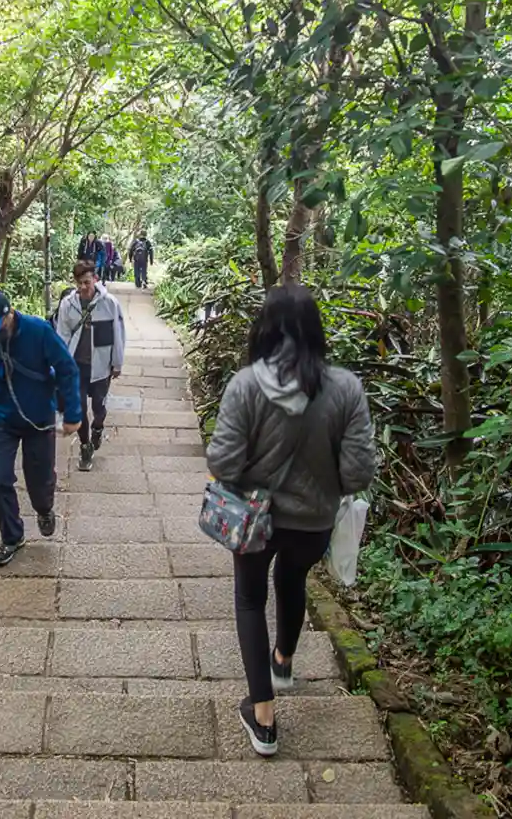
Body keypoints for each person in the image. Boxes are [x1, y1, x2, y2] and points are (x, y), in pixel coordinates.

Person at [205, 285, 377, 758]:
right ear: (315, 334)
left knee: (249, 599)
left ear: (265, 330)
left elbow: (224, 462)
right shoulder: (345, 388)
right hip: (314, 521)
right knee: (293, 577)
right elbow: (359, 471)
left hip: (254, 521)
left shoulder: (246, 385)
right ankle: (283, 661)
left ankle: (263, 718)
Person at [0, 288, 82, 567]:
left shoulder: (38, 330)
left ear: (10, 315)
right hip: (0, 418)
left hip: (38, 416)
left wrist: (73, 413)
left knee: (39, 479)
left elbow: (67, 368)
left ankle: (44, 509)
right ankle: (11, 537)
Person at [53, 260, 126, 471]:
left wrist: (117, 362)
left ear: (95, 279)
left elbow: (118, 334)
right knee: (80, 408)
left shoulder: (109, 303)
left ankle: (98, 427)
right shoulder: (68, 304)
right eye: (80, 283)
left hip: (101, 364)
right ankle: (85, 446)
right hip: (77, 365)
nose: (84, 287)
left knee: (99, 407)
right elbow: (62, 334)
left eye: (87, 282)